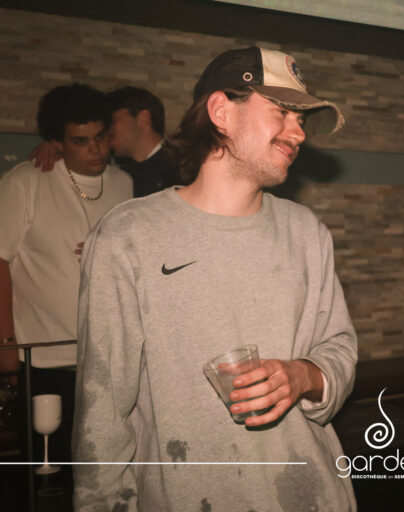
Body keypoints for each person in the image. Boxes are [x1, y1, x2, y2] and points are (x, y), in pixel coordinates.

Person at [72, 47, 357, 511]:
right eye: (282, 112)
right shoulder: (127, 237)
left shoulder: (307, 231)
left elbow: (339, 348)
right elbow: (101, 414)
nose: (299, 133)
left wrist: (303, 375)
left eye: (301, 119)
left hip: (313, 496)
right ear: (221, 111)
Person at [0, 83, 133, 463]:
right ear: (56, 143)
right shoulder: (25, 181)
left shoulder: (124, 184)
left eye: (100, 137)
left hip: (106, 358)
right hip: (43, 358)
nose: (96, 150)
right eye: (80, 141)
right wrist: (6, 344)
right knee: (46, 469)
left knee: (102, 466)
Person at [30, 86, 182, 197]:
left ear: (143, 118)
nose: (107, 130)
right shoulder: (119, 176)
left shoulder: (183, 168)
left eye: (112, 120)